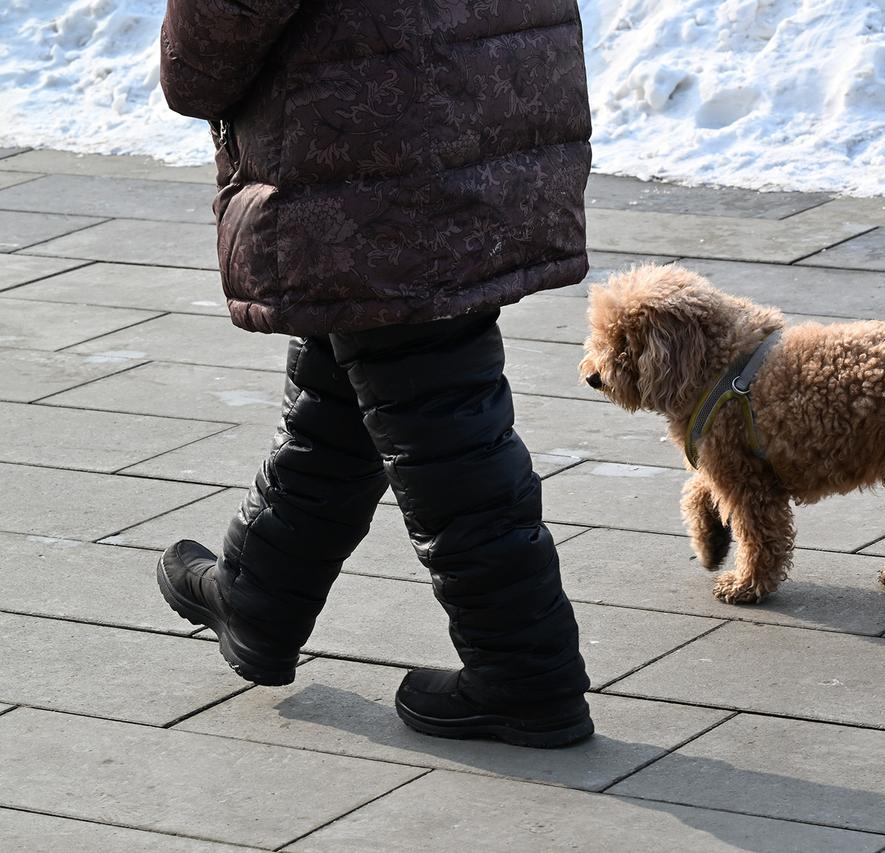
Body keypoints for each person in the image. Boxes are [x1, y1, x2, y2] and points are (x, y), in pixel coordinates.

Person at [153, 0, 595, 748]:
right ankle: (257, 596)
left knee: (441, 419)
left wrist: (188, 69)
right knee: (365, 363)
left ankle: (527, 675)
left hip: (378, 126)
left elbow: (214, 36)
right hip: (481, 91)